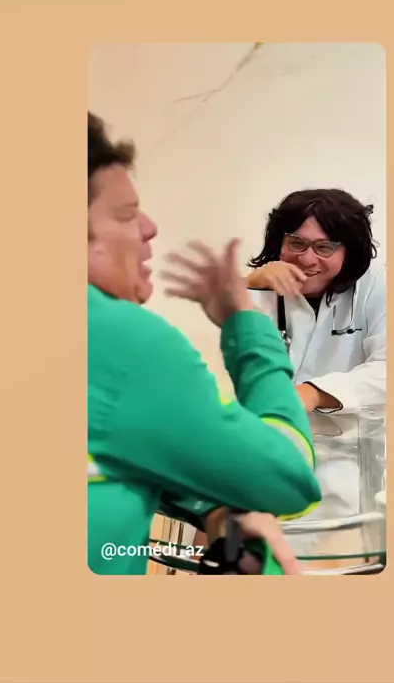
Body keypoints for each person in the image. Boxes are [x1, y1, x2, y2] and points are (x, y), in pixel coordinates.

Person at [87, 113, 321, 575]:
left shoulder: (373, 294)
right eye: (127, 215)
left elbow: (121, 443)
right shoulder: (121, 340)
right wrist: (244, 323)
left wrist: (211, 508)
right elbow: (289, 477)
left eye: (327, 246)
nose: (149, 228)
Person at [246, 189, 386, 414]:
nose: (306, 259)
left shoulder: (377, 285)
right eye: (296, 243)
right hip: (276, 429)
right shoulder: (261, 288)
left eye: (324, 247)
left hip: (354, 433)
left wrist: (313, 393)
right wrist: (247, 287)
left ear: (349, 251)